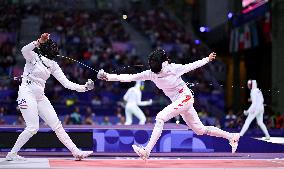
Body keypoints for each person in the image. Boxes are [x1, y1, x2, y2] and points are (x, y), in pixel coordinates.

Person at [97, 49, 240, 160]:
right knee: (200, 130)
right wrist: (108, 77)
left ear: (162, 62)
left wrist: (207, 59)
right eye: (151, 63)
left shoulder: (174, 68)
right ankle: (232, 137)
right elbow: (129, 77)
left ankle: (147, 151)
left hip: (185, 97)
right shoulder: (151, 74)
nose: (152, 65)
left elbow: (192, 66)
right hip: (180, 102)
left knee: (160, 117)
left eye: (154, 63)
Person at [6, 33, 94, 161]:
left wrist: (84, 87)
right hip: (26, 93)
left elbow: (67, 83)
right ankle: (12, 154)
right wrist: (38, 41)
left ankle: (76, 152)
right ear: (44, 47)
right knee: (33, 127)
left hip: (40, 96)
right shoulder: (33, 57)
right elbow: (24, 50)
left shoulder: (53, 65)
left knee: (57, 125)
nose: (54, 49)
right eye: (51, 46)